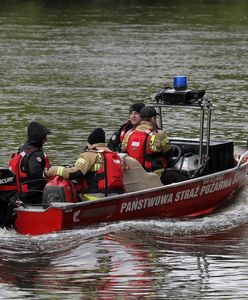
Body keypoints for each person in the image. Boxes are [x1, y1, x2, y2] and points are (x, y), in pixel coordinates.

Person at [45, 128, 124, 200]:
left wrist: (50, 171)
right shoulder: (114, 156)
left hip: (94, 197)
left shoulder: (89, 155)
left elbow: (74, 173)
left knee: (69, 192)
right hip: (116, 197)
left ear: (90, 143)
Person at [121, 106, 175, 185]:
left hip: (133, 174)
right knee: (180, 177)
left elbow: (123, 151)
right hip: (154, 175)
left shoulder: (129, 134)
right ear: (153, 118)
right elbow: (169, 153)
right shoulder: (159, 134)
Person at [8, 121, 51, 204]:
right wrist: (52, 172)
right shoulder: (36, 154)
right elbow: (36, 172)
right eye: (44, 137)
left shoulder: (23, 149)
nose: (46, 140)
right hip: (34, 197)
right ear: (38, 138)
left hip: (20, 195)